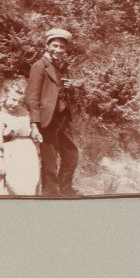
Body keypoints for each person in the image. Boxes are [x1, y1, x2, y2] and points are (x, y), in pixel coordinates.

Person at [25, 27, 80, 196]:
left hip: (63, 117)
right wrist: (35, 124)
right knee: (49, 159)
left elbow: (62, 92)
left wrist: (71, 88)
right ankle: (50, 193)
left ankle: (66, 188)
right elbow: (31, 97)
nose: (58, 50)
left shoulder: (63, 67)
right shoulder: (39, 66)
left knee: (71, 154)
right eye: (55, 46)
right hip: (46, 119)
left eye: (62, 47)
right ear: (47, 46)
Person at [0, 77, 42, 196]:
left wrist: (36, 134)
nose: (15, 104)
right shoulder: (1, 118)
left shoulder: (24, 113)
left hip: (28, 154)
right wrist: (0, 162)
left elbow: (29, 130)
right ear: (5, 96)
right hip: (12, 156)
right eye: (12, 100)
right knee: (14, 184)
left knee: (31, 183)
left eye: (19, 101)